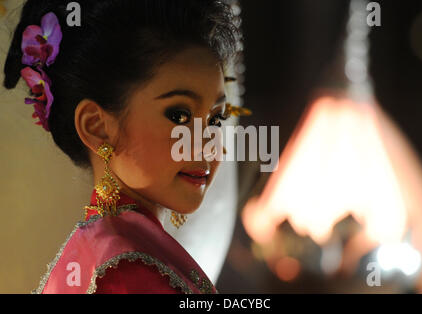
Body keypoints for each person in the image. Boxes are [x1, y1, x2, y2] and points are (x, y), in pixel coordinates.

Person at [3, 0, 248, 294]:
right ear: (98, 127)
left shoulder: (100, 252)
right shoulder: (128, 275)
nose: (209, 146)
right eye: (179, 116)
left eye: (216, 119)